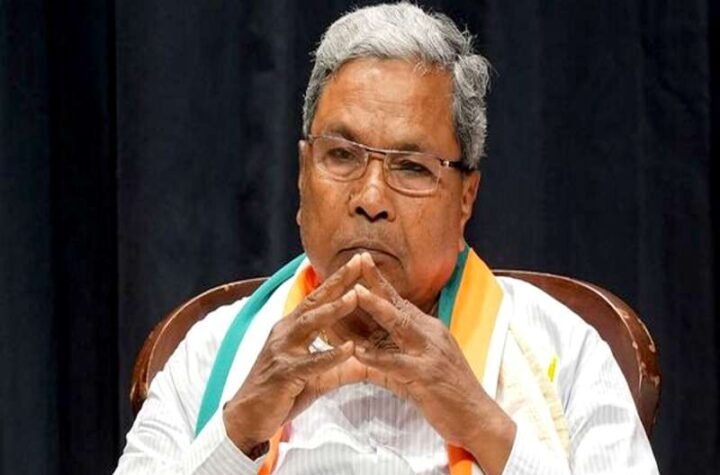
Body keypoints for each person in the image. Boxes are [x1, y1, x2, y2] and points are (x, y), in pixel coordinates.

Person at [114, 3, 659, 474]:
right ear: (303, 174)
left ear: (466, 197)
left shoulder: (565, 351)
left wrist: (483, 424)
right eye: (342, 155)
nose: (370, 197)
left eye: (412, 167)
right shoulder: (212, 352)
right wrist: (238, 430)